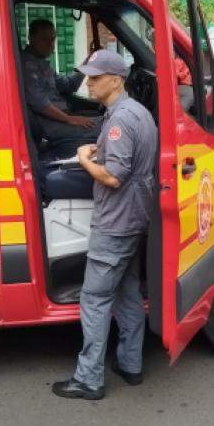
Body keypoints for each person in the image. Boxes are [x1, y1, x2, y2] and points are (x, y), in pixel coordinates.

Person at [52, 49, 158, 401]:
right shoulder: (137, 113)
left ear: (116, 79)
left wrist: (84, 159)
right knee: (127, 293)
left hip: (115, 223)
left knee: (94, 299)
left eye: (95, 78)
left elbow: (113, 177)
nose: (88, 83)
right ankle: (131, 364)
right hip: (135, 219)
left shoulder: (118, 122)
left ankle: (88, 379)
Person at [21, 18, 102, 154]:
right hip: (50, 126)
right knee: (109, 125)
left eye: (53, 39)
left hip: (61, 118)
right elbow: (39, 103)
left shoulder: (41, 64)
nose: (51, 45)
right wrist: (70, 120)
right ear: (31, 38)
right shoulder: (26, 66)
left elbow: (68, 85)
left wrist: (87, 62)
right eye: (45, 39)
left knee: (105, 118)